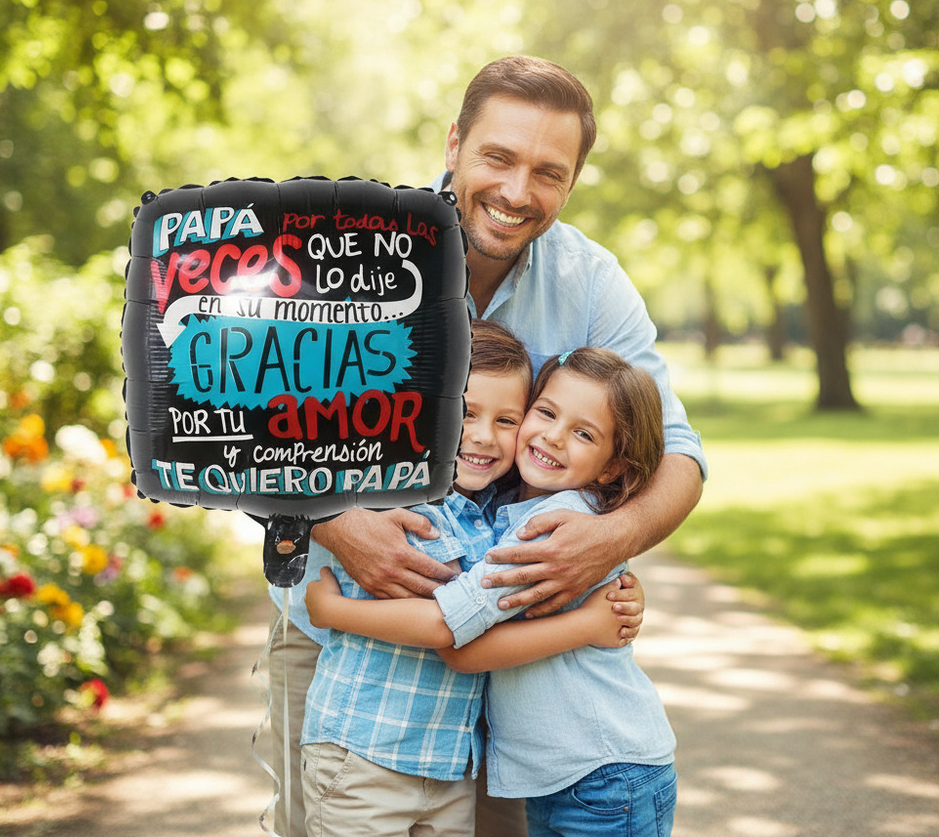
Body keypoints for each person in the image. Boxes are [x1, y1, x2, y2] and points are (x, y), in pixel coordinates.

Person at [267, 55, 706, 836]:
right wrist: (333, 522)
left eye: (548, 172)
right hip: (341, 647)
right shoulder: (346, 254)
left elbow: (677, 455)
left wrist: (605, 543)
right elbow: (243, 422)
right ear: (454, 145)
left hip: (507, 664)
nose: (515, 191)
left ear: (570, 184)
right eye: (497, 157)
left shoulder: (591, 283)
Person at [306, 347, 677, 837]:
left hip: (605, 771)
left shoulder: (553, 528)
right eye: (546, 413)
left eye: (584, 433)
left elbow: (455, 639)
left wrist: (333, 609)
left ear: (612, 468)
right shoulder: (506, 510)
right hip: (570, 777)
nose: (553, 436)